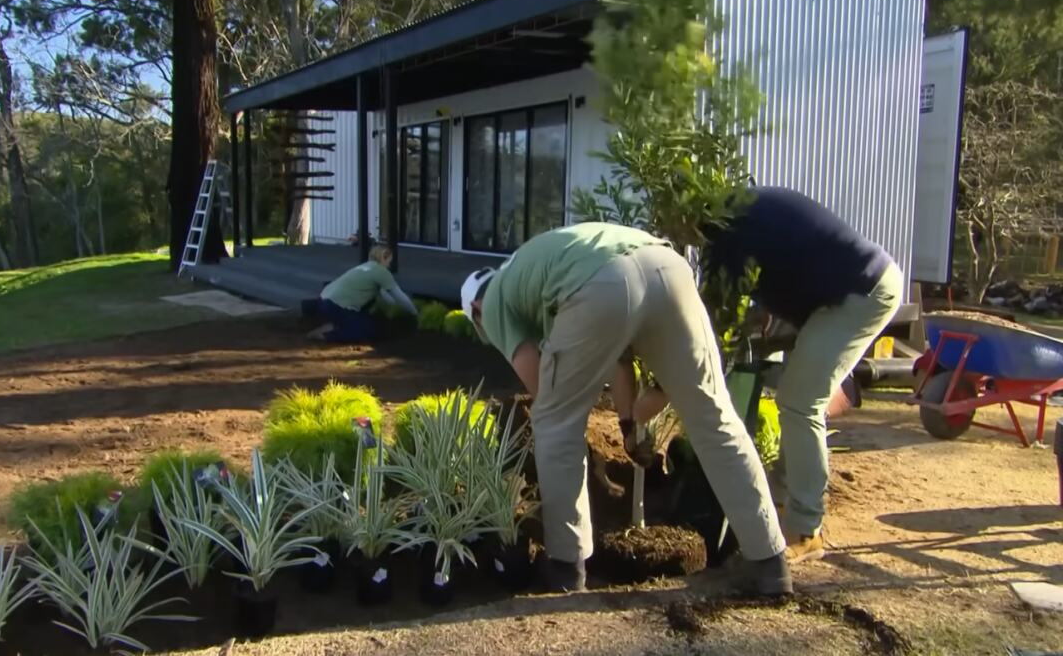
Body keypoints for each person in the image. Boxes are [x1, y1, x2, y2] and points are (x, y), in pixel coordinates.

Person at [460, 223, 789, 594]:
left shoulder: (495, 299)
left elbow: (542, 388)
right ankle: (769, 561)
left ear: (475, 308)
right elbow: (617, 363)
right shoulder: (544, 274)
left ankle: (565, 569)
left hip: (605, 281)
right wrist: (629, 425)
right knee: (714, 416)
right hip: (669, 267)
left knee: (553, 421)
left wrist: (560, 404)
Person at [698, 186, 903, 564]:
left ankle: (806, 531)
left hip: (860, 293)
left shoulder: (724, 233)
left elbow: (710, 315)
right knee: (797, 398)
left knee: (800, 401)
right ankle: (779, 506)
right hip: (834, 295)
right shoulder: (742, 208)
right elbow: (779, 269)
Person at [309, 244, 417, 342]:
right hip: (337, 306)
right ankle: (325, 336)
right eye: (388, 261)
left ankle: (330, 326)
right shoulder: (381, 271)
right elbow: (399, 295)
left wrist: (397, 307)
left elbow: (387, 296)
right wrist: (415, 312)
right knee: (367, 331)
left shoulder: (364, 267)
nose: (389, 265)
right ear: (383, 258)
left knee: (363, 320)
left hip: (323, 301)